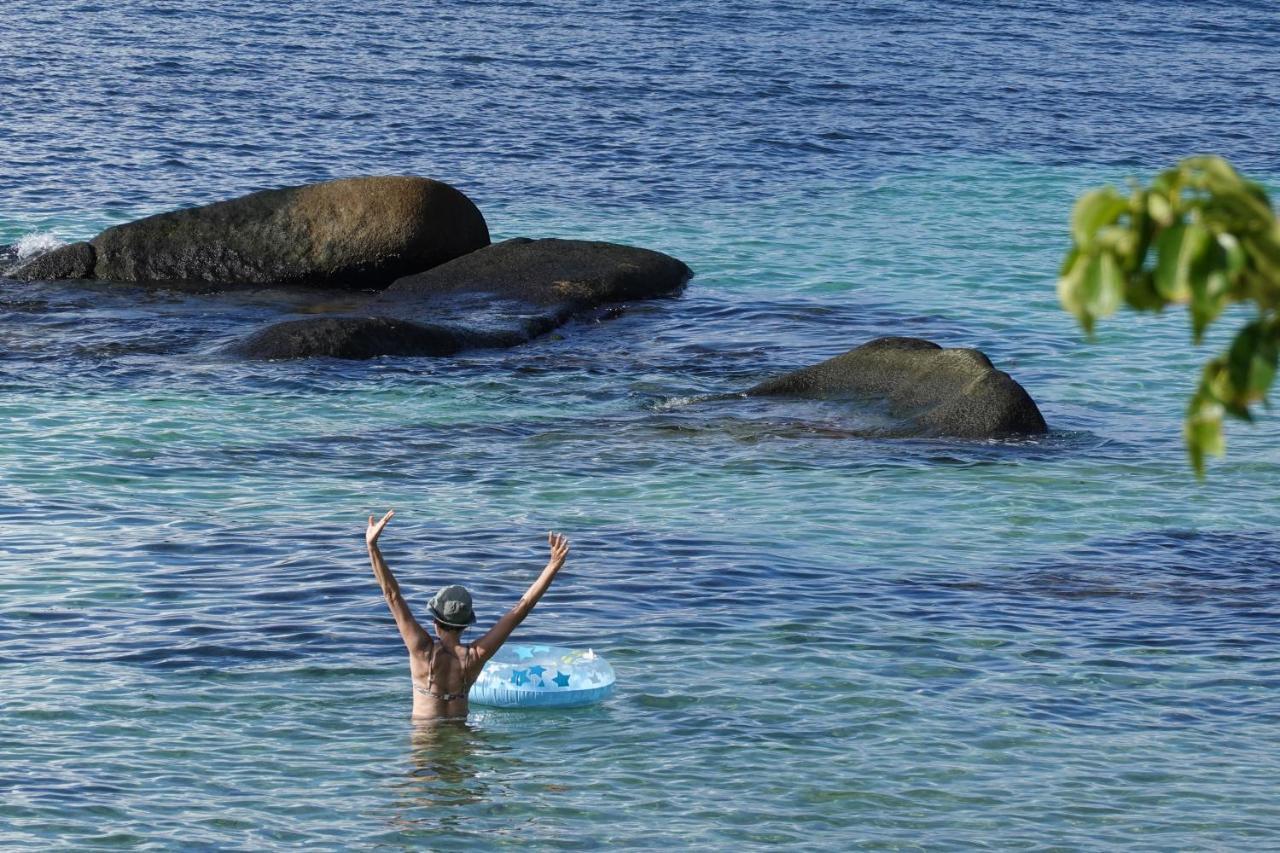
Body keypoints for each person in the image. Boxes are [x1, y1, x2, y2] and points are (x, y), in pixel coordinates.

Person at [365, 510, 570, 720]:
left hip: (425, 741)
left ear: (435, 621)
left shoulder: (421, 650)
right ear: (466, 624)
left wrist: (372, 547)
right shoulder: (476, 656)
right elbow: (521, 609)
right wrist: (553, 565)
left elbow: (392, 595)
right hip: (463, 737)